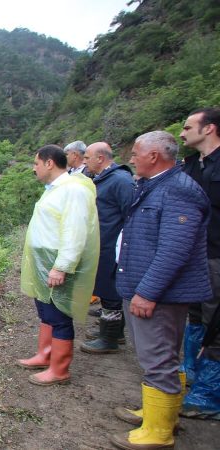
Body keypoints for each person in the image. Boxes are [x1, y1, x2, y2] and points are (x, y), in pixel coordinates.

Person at [110, 131, 212, 450]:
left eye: (136, 153)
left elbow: (175, 250)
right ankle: (161, 414)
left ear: (154, 156)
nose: (131, 158)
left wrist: (148, 292)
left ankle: (158, 432)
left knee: (158, 358)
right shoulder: (156, 185)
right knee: (159, 354)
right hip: (146, 287)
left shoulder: (178, 190)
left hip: (159, 294)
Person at [18, 145, 99, 386]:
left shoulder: (73, 190)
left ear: (49, 163)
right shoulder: (56, 188)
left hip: (56, 263)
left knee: (59, 315)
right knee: (46, 310)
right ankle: (45, 355)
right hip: (44, 262)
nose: (34, 168)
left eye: (36, 163)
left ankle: (59, 369)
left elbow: (75, 231)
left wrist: (61, 266)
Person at [179, 107, 220, 419]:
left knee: (215, 321)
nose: (182, 132)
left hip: (216, 255)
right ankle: (189, 373)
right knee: (194, 312)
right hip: (194, 252)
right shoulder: (192, 165)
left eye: (188, 126)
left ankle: (209, 394)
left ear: (210, 129)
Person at [80, 142, 135, 354]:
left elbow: (130, 216)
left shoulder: (120, 180)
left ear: (100, 158)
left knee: (112, 291)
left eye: (87, 158)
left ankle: (110, 338)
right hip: (103, 245)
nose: (85, 162)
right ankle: (111, 330)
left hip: (113, 247)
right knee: (104, 288)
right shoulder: (105, 179)